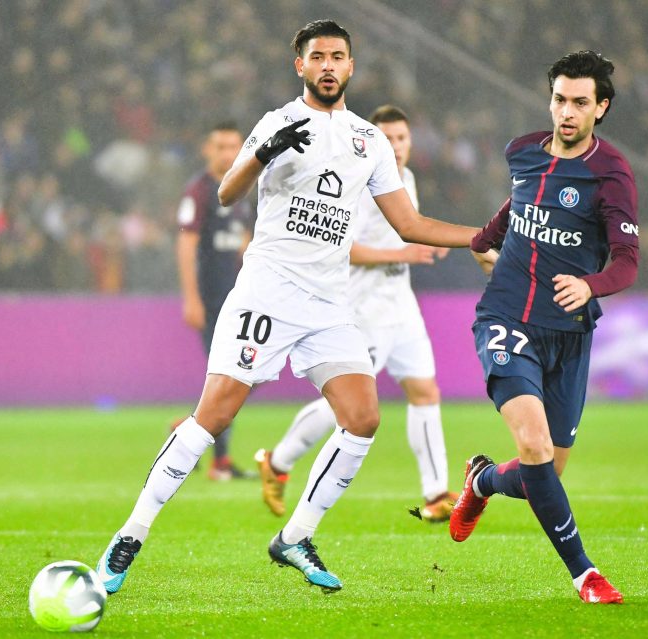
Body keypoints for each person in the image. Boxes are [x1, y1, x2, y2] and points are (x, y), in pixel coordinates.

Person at [96, 19, 477, 594]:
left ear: (351, 67)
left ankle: (294, 536)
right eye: (317, 56)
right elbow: (227, 192)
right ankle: (131, 533)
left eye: (338, 56)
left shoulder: (369, 141)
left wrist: (485, 236)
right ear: (299, 65)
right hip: (267, 292)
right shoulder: (277, 122)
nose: (328, 65)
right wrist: (262, 155)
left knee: (363, 417)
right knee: (214, 415)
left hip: (328, 302)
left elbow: (410, 224)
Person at [449, 50, 638, 605]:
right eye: (560, 100)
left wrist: (590, 285)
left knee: (545, 474)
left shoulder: (611, 174)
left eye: (581, 103)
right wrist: (485, 241)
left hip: (570, 332)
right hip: (506, 318)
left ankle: (481, 482)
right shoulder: (523, 151)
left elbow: (626, 259)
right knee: (531, 444)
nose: (567, 112)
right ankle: (586, 575)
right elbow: (518, 205)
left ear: (601, 107)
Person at [255, 104, 456, 523]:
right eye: (389, 139)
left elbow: (411, 228)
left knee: (425, 392)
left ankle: (436, 492)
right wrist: (401, 253)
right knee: (343, 407)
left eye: (402, 138)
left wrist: (432, 245)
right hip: (362, 309)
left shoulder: (407, 180)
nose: (396, 146)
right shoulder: (360, 184)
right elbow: (343, 248)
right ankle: (277, 461)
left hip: (401, 307)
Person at [174, 123, 256, 481]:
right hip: (210, 300)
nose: (227, 153)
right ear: (207, 150)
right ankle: (218, 462)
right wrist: (191, 298)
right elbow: (186, 244)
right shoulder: (200, 191)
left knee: (242, 377)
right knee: (227, 378)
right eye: (220, 145)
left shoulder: (244, 191)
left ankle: (187, 428)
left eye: (233, 146)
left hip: (238, 300)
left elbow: (248, 241)